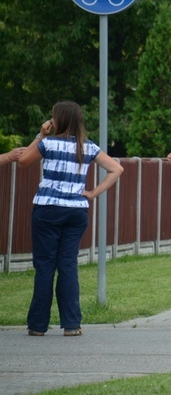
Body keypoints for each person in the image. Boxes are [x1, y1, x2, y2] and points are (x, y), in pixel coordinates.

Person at [18, 101, 124, 337]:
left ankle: (37, 326)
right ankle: (72, 324)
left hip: (47, 209)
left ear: (58, 120)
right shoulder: (87, 146)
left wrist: (40, 134)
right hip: (76, 211)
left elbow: (23, 161)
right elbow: (117, 169)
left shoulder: (48, 143)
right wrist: (94, 193)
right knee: (68, 265)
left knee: (45, 266)